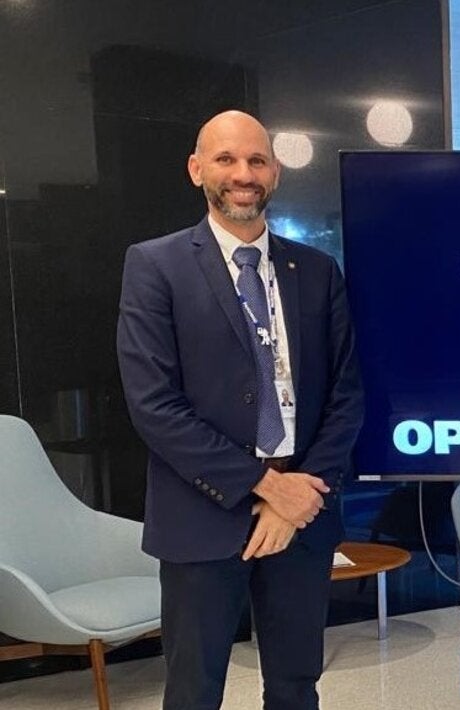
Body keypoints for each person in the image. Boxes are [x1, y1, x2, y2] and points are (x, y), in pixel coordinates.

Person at [117, 110, 364, 710]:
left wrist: (301, 496)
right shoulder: (155, 266)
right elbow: (155, 406)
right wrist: (261, 486)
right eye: (226, 159)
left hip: (301, 516)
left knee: (296, 685)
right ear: (196, 169)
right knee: (194, 692)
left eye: (256, 160)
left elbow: (346, 395)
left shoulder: (317, 270)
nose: (243, 174)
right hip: (202, 518)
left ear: (275, 173)